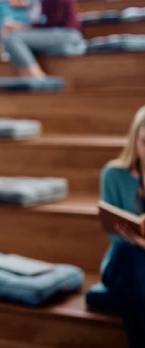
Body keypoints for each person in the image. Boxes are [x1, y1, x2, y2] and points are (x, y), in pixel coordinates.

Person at [100, 106, 145, 347]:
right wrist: (137, 241)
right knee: (129, 254)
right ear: (134, 140)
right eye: (144, 142)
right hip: (122, 260)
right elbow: (112, 228)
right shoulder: (113, 174)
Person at [1, 0, 84, 78]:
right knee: (14, 39)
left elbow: (53, 22)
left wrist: (24, 27)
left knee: (11, 39)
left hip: (67, 34)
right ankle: (27, 76)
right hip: (56, 32)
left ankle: (37, 76)